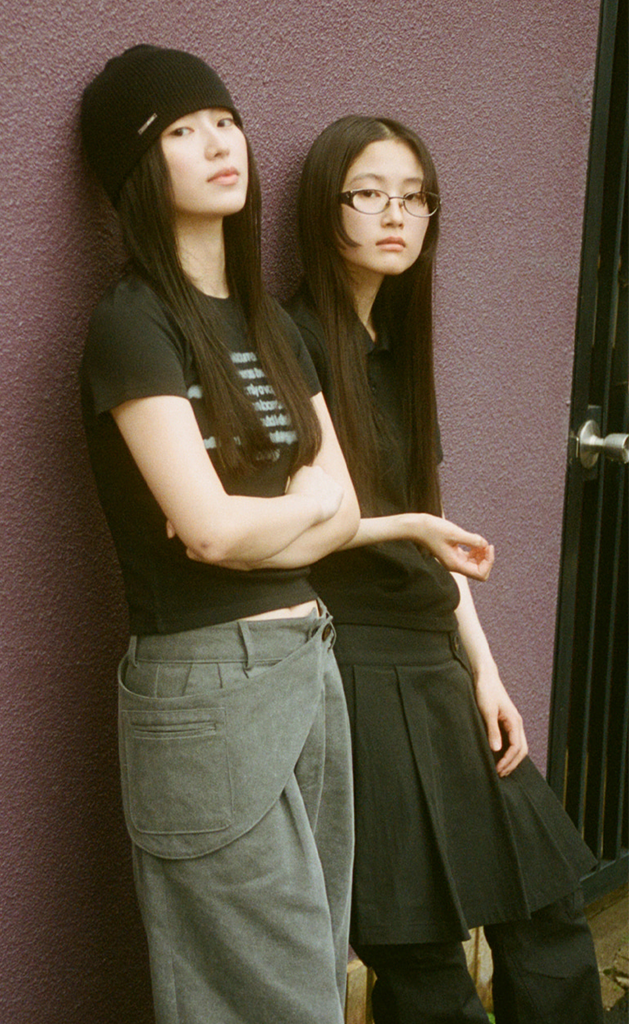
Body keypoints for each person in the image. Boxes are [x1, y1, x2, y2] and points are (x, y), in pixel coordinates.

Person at [286, 115, 604, 1024]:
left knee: (546, 907)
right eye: (370, 193)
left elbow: (438, 534)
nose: (397, 214)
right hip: (356, 664)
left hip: (434, 660)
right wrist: (420, 530)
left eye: (414, 197)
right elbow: (310, 525)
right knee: (420, 957)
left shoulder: (395, 341)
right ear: (325, 207)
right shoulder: (291, 336)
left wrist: (487, 672)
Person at [78, 47, 362, 1024]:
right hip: (205, 682)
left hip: (309, 662)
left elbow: (344, 510)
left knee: (312, 977)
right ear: (136, 169)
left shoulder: (273, 324)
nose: (217, 142)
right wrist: (296, 511)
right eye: (181, 130)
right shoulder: (132, 323)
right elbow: (207, 534)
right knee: (266, 1001)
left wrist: (264, 523)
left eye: (225, 120)